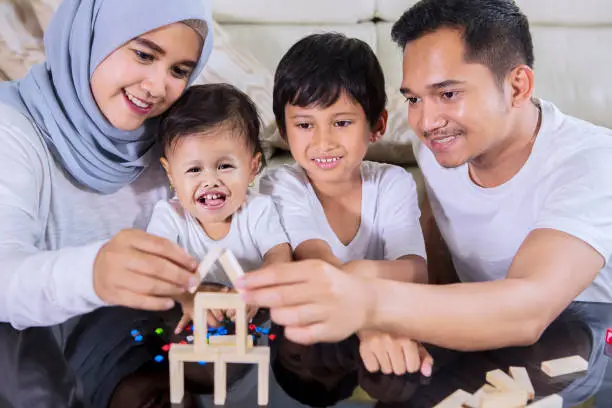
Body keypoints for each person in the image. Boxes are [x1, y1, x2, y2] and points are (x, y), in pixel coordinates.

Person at [237, 0, 612, 353]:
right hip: (474, 340)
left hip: (587, 345)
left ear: (518, 86)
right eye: (414, 99)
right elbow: (435, 251)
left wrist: (366, 303)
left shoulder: (594, 159)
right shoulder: (437, 150)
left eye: (448, 93)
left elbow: (529, 310)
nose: (425, 122)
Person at [0, 0, 213, 405]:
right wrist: (94, 271)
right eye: (144, 54)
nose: (156, 86)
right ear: (91, 38)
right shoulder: (11, 129)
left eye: (179, 70)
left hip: (132, 349)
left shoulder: (170, 145)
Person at [259, 32, 432, 378]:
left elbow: (416, 271)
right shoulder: (280, 183)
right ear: (283, 130)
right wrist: (367, 303)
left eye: (341, 122)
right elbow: (314, 257)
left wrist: (355, 277)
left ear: (377, 126)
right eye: (305, 124)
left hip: (385, 325)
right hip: (317, 331)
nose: (323, 142)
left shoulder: (392, 183)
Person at [146, 83, 292, 334]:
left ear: (253, 167)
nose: (210, 181)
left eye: (225, 166)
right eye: (194, 170)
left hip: (252, 315)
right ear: (170, 173)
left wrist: (255, 291)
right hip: (186, 314)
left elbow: (279, 259)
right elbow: (151, 268)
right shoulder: (170, 215)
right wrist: (187, 295)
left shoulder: (257, 209)